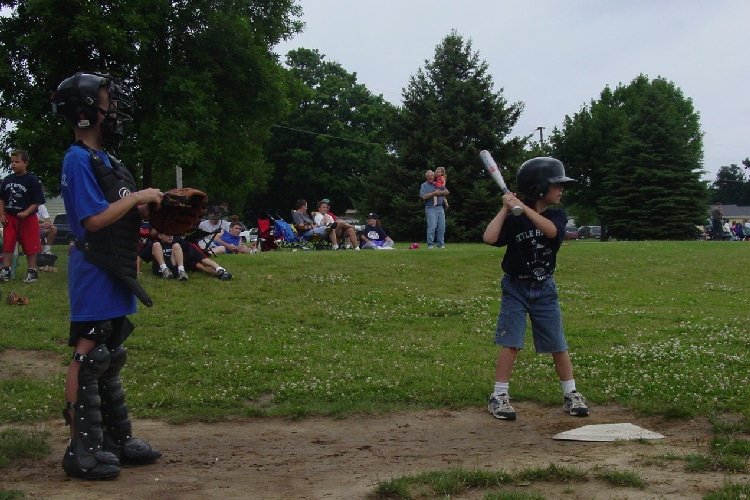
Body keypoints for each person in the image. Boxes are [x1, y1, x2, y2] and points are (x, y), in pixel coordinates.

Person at [51, 71, 162, 479]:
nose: (111, 108)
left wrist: (153, 206)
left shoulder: (109, 162)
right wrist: (136, 197)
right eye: (104, 101)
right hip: (94, 267)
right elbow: (92, 220)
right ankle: (82, 448)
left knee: (112, 353)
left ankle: (116, 438)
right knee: (90, 351)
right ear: (85, 112)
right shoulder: (77, 158)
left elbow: (120, 210)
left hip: (115, 266)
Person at [483, 157, 588, 421]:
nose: (561, 190)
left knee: (557, 343)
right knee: (511, 342)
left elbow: (552, 232)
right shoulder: (514, 217)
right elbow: (490, 238)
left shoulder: (556, 215)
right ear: (539, 188)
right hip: (515, 287)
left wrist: (523, 209)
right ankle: (499, 396)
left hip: (544, 289)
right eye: (556, 185)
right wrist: (505, 209)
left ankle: (571, 393)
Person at [0, 149, 45, 283]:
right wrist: (2, 214)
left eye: (17, 162)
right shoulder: (7, 180)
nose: (13, 164)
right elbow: (2, 199)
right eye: (12, 162)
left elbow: (37, 201)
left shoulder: (32, 180)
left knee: (31, 246)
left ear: (25, 163)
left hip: (28, 218)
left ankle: (32, 271)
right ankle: (6, 270)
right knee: (8, 244)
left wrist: (26, 212)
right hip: (10, 217)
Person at [419, 169, 449, 249]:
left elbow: (447, 192)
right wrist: (433, 193)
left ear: (434, 175)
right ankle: (430, 245)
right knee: (432, 226)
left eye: (431, 175)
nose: (430, 177)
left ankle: (441, 244)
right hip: (430, 207)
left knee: (442, 227)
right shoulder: (424, 185)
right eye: (428, 176)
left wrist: (440, 193)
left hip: (440, 207)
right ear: (426, 177)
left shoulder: (438, 183)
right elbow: (423, 197)